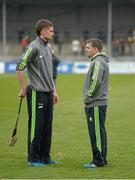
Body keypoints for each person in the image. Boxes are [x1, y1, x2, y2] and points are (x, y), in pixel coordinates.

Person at [16, 19, 59, 167]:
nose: (53, 33)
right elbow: (20, 66)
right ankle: (33, 159)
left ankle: (45, 157)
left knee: (47, 127)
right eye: (51, 30)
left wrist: (54, 90)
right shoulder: (33, 47)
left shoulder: (48, 48)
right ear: (43, 31)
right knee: (36, 126)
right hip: (36, 93)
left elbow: (49, 73)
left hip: (48, 93)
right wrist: (23, 88)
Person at [83, 38, 109, 168]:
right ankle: (102, 158)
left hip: (96, 103)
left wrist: (88, 96)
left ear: (96, 49)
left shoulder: (98, 62)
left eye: (88, 47)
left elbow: (96, 81)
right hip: (98, 102)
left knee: (97, 132)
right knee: (100, 131)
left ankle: (98, 160)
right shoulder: (98, 61)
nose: (85, 49)